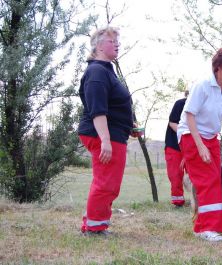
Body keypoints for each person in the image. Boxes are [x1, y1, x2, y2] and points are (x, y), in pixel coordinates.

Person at [177, 48, 222, 242]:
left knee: (214, 178)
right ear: (219, 67)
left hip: (210, 137)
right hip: (190, 135)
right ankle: (205, 229)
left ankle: (209, 227)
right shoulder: (202, 86)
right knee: (206, 179)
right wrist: (200, 146)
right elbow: (189, 115)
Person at [78, 26, 138, 236]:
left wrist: (129, 128)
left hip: (113, 133)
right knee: (107, 183)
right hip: (103, 134)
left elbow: (113, 106)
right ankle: (94, 228)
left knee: (107, 182)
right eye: (112, 41)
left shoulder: (105, 71)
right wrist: (105, 140)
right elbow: (97, 110)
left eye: (117, 41)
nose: (117, 45)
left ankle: (94, 222)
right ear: (98, 46)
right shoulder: (96, 72)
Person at [164, 90, 189, 207]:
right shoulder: (180, 104)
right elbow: (172, 123)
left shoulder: (202, 107)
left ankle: (200, 199)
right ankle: (178, 202)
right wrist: (188, 134)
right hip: (174, 145)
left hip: (191, 146)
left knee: (196, 174)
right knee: (175, 175)